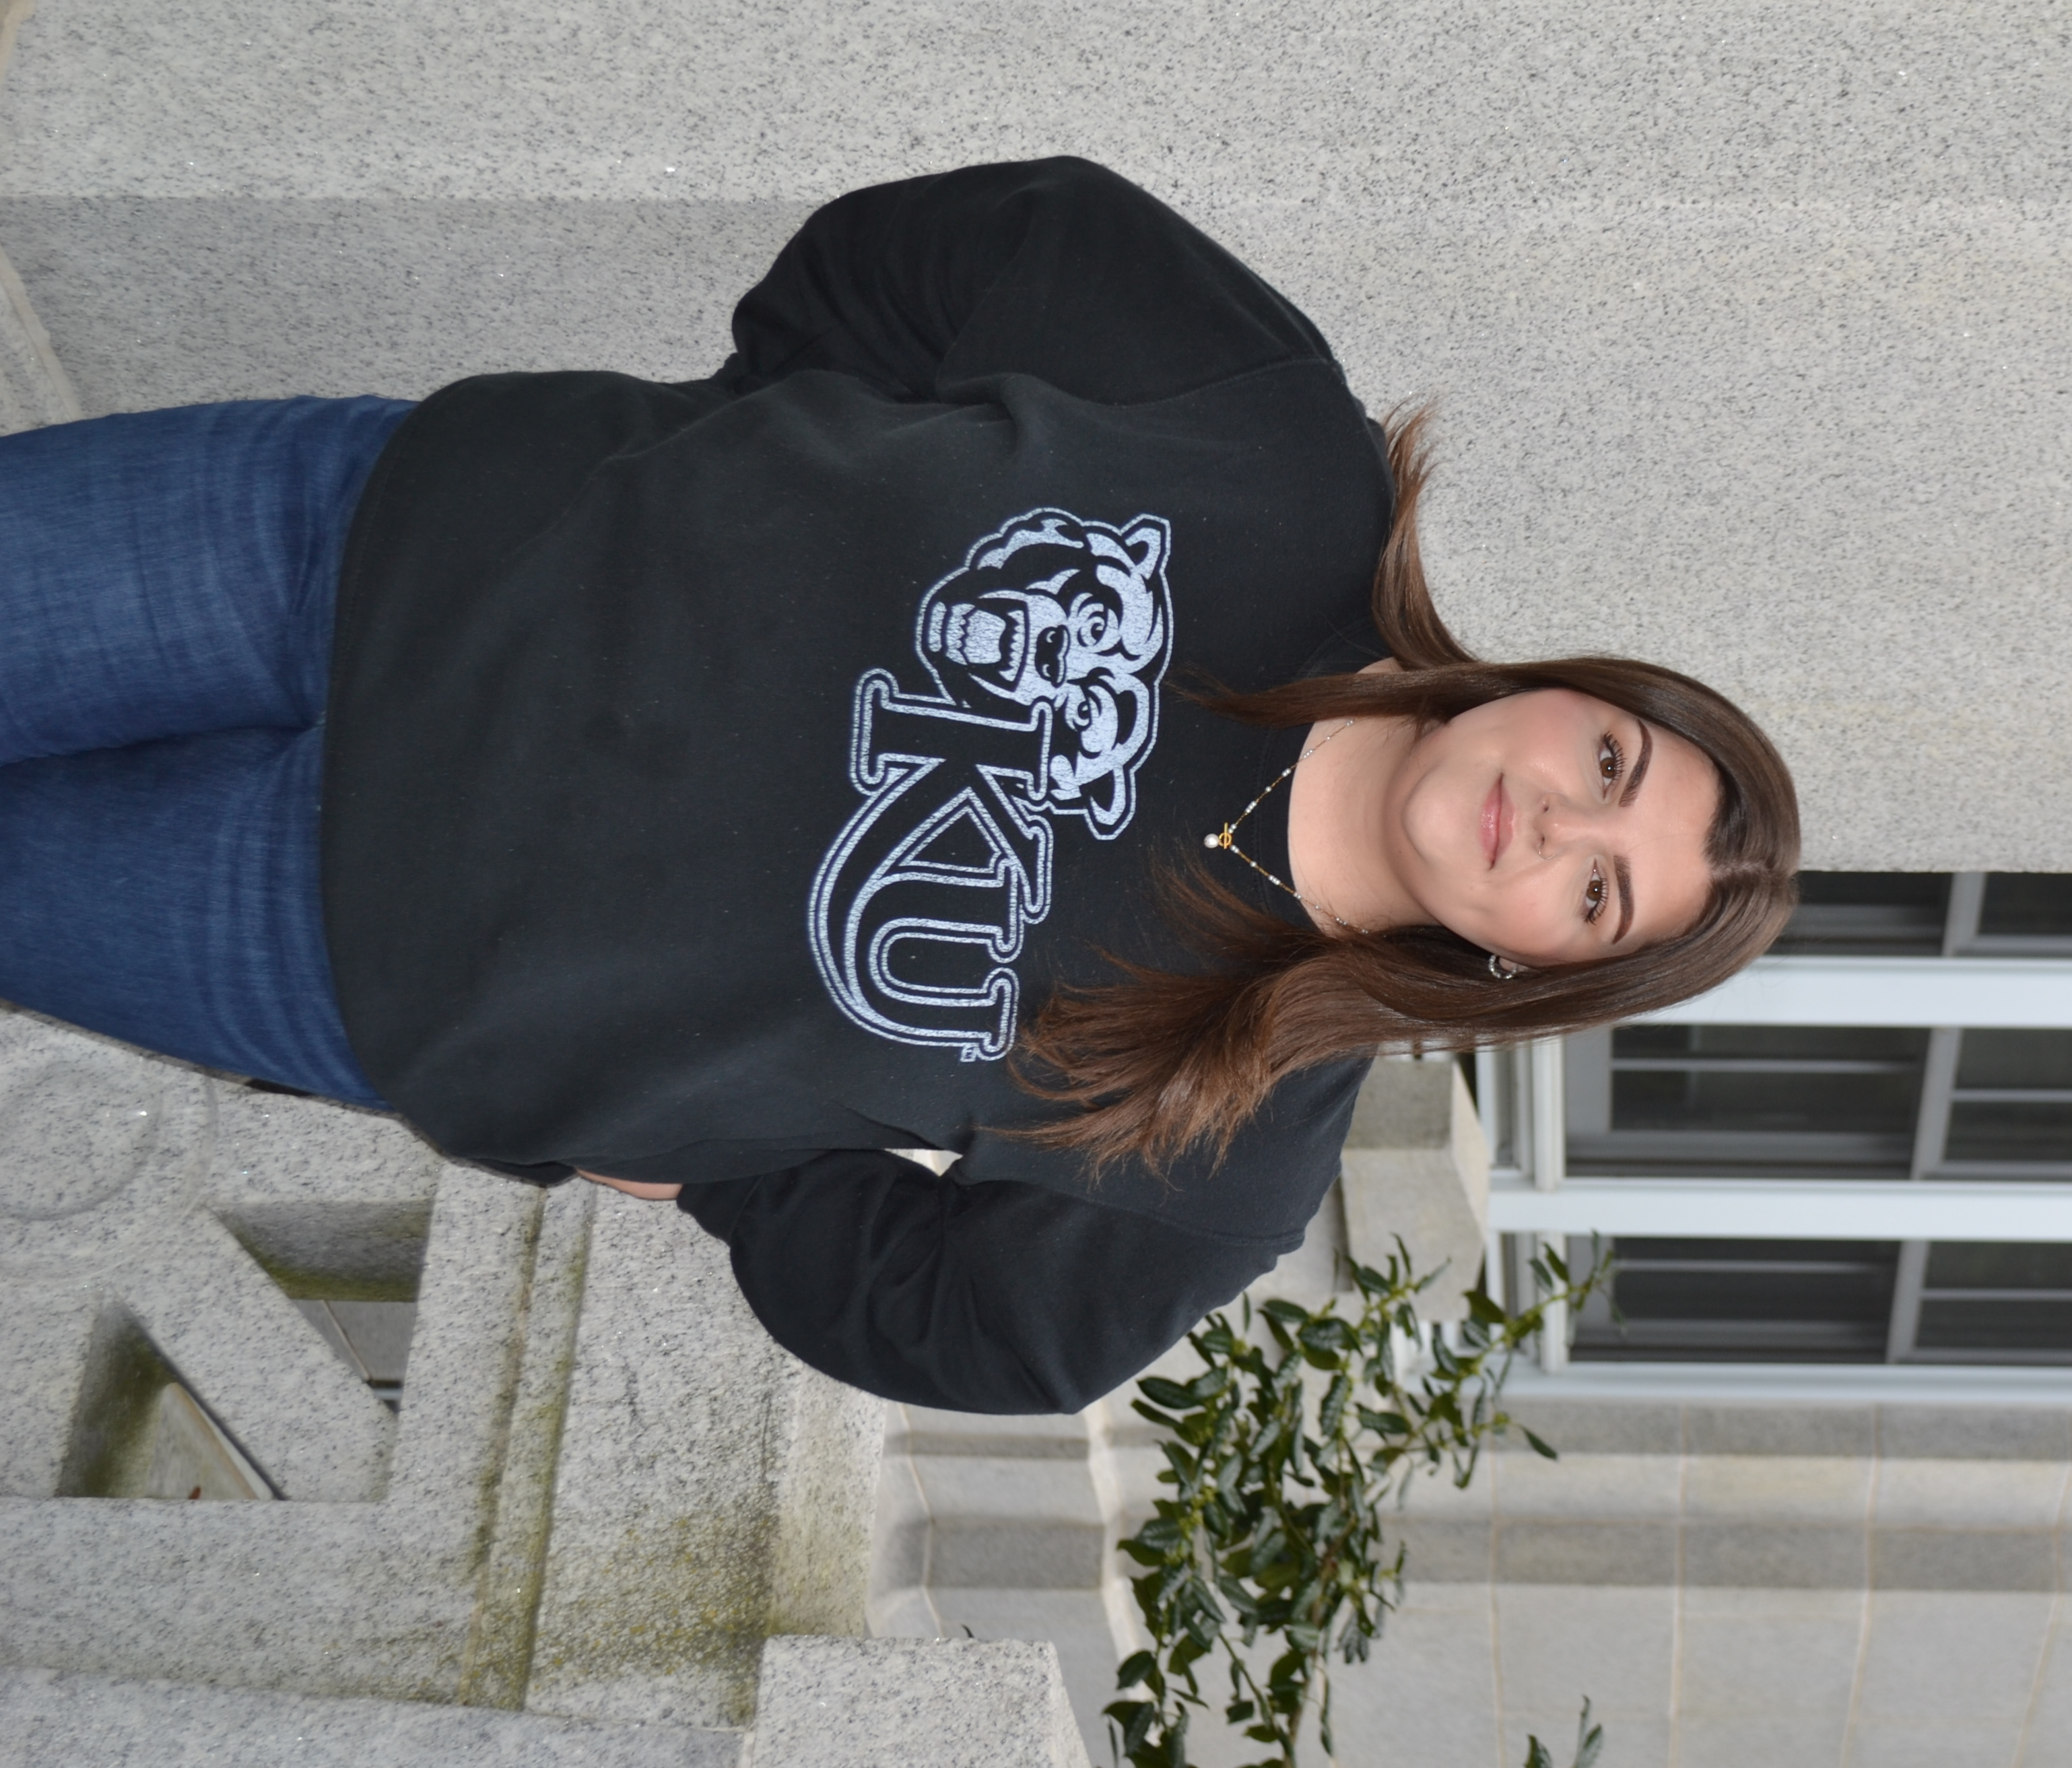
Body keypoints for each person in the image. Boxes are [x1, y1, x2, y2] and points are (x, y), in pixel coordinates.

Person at [0, 158, 1801, 1414]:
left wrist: (718, 1172)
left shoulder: (1225, 1140)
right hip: (365, 550)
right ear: (1571, 690)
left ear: (1535, 970)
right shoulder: (1279, 452)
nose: (1558, 822)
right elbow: (959, 248)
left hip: (342, 941)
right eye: (1612, 762)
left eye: (1596, 893)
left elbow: (987, 1339)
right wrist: (728, 466)